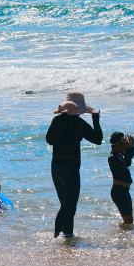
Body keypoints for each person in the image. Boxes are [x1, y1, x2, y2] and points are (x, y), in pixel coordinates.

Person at [45, 92, 102, 238]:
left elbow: (49, 140)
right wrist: (96, 119)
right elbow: (98, 139)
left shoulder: (56, 120)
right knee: (70, 205)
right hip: (70, 168)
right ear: (79, 110)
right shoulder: (79, 124)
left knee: (65, 203)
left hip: (56, 166)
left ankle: (63, 235)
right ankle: (65, 235)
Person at [107, 132, 134, 225]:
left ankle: (122, 237)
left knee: (129, 221)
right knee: (128, 221)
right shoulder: (112, 158)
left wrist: (129, 148)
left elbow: (127, 159)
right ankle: (120, 237)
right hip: (119, 192)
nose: (125, 145)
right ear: (118, 144)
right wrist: (131, 147)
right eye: (123, 143)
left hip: (124, 191)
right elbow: (127, 163)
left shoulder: (119, 155)